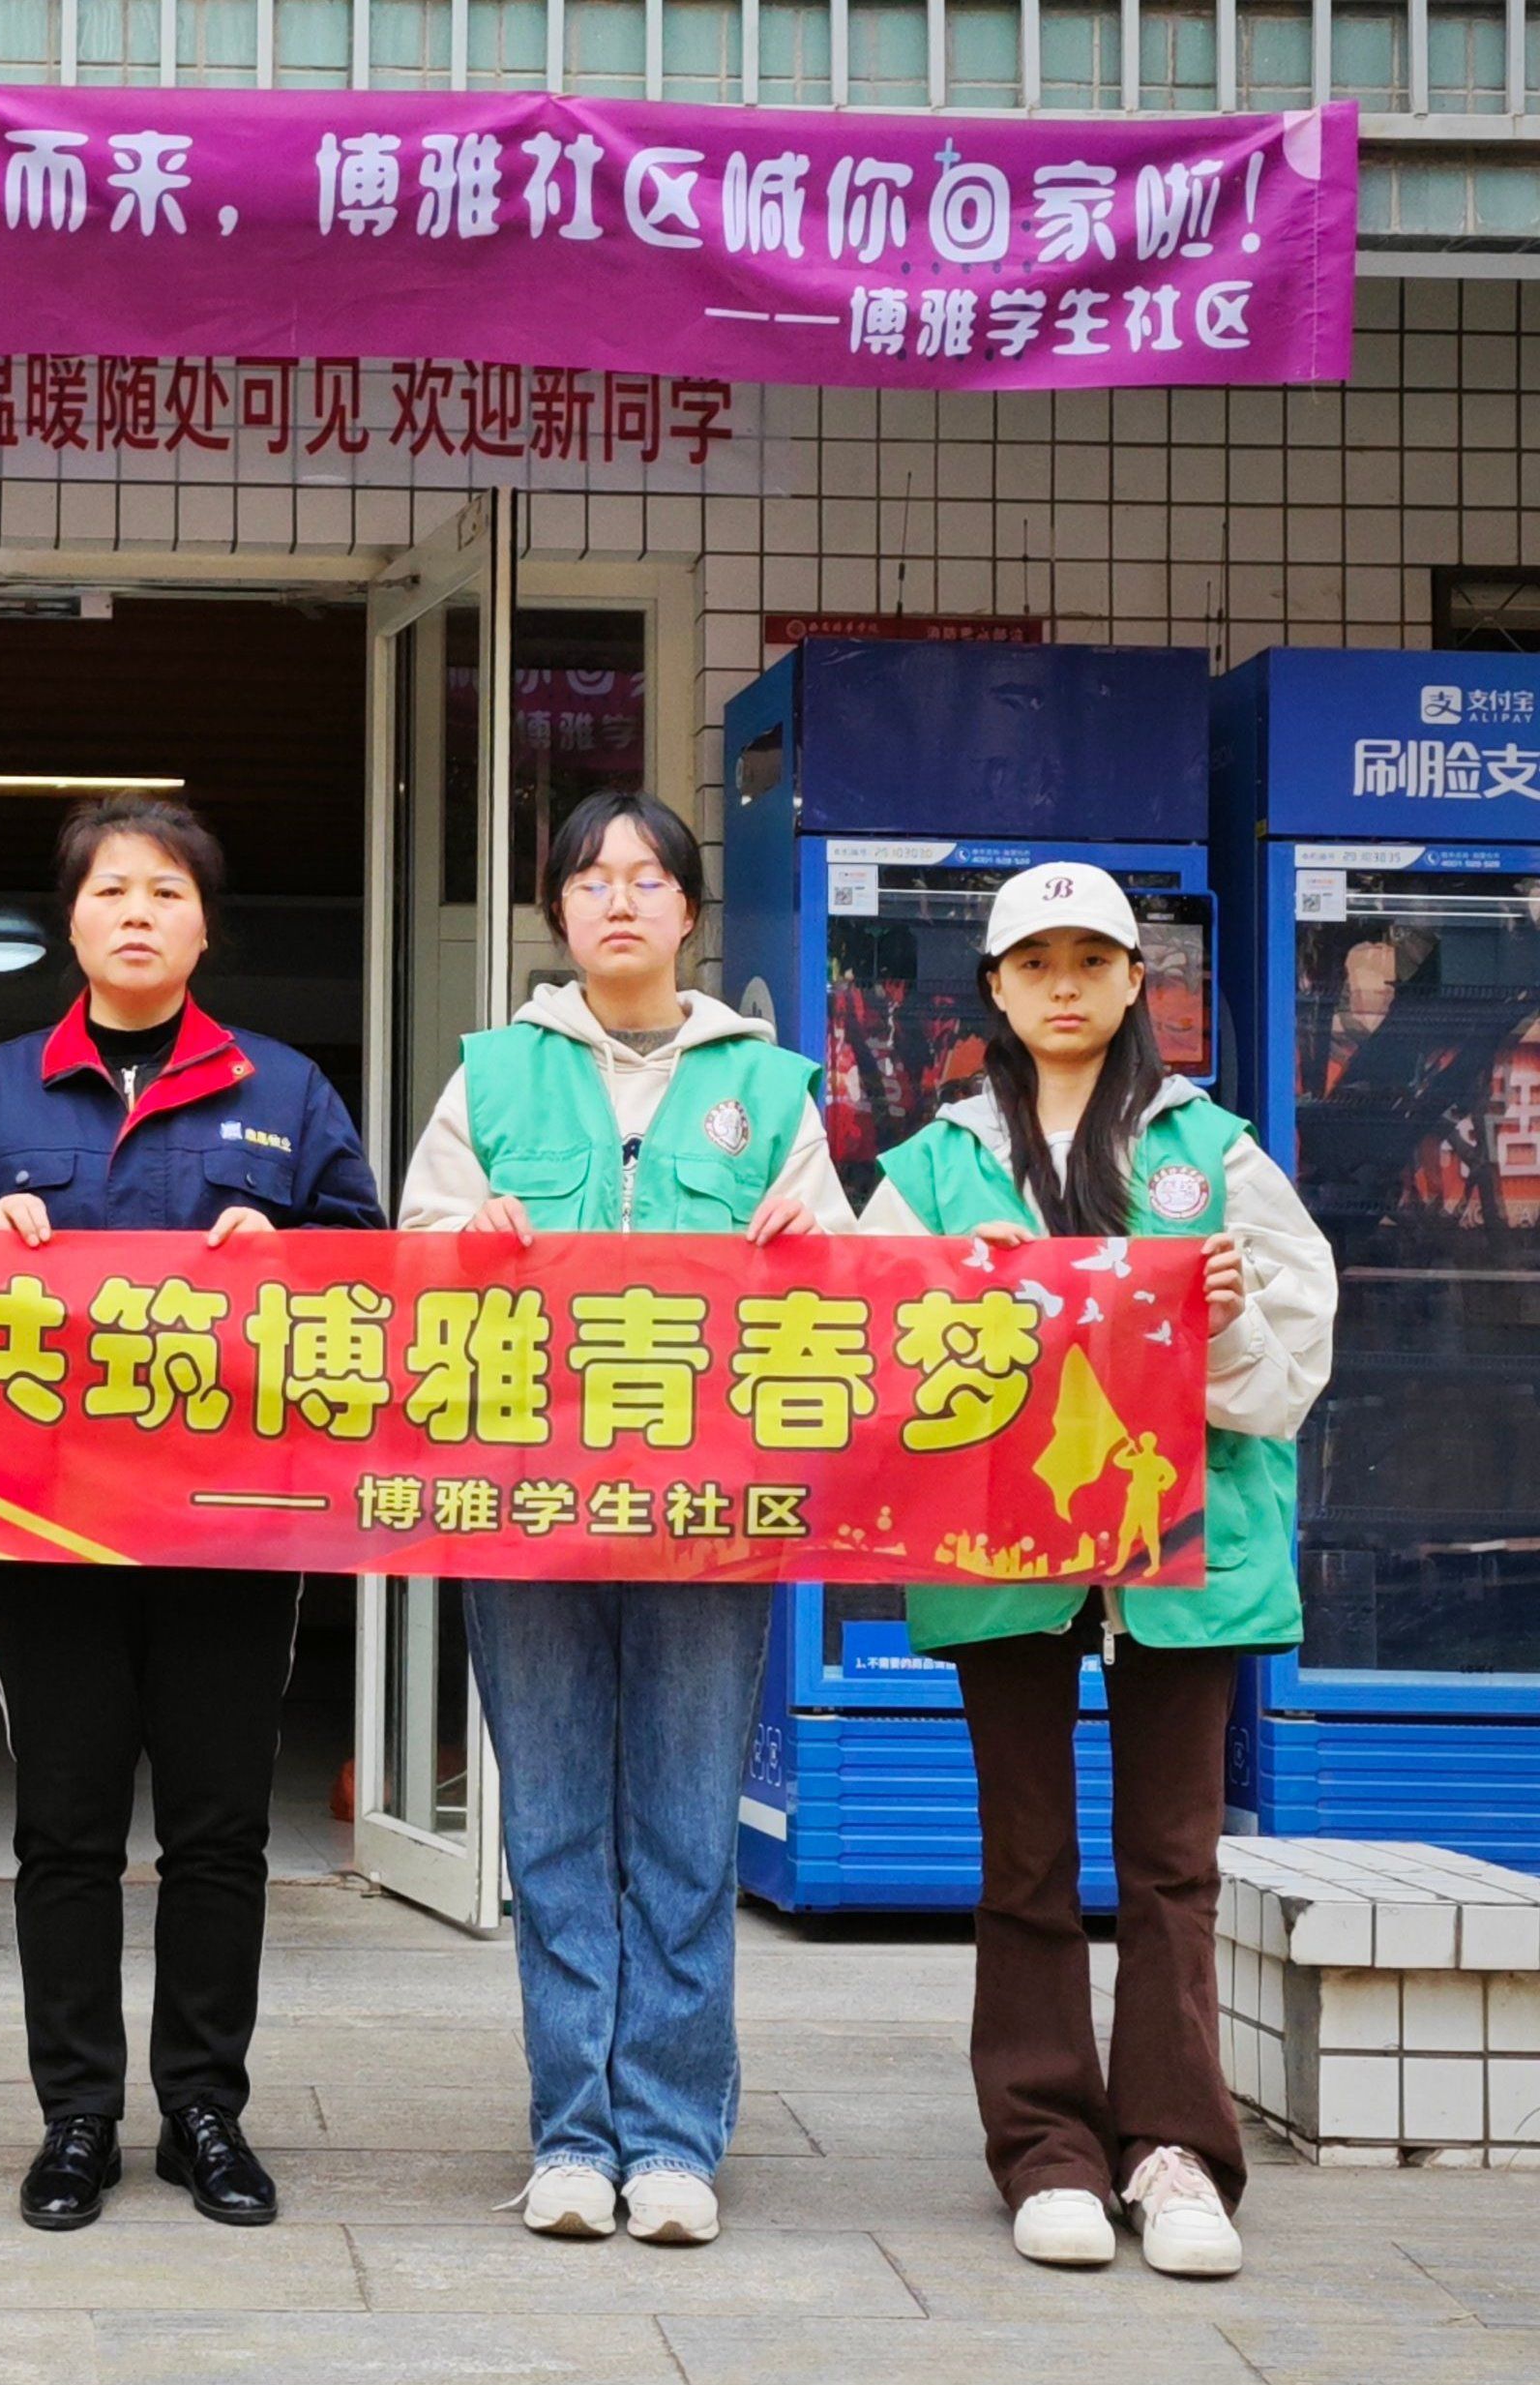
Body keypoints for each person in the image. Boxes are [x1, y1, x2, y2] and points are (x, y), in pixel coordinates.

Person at [0, 795, 382, 2232]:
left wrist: (291, 1248)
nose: (139, 912)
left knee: (222, 1829)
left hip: (233, 1522)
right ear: (74, 922)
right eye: (111, 890)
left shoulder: (288, 1091)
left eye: (167, 890)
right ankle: (79, 2117)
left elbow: (376, 1275)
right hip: (45, 1525)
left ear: (205, 926)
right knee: (66, 1827)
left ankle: (206, 2109)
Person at [859, 862, 1335, 2280]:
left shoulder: (1218, 1154)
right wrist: (949, 1291)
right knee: (1026, 1858)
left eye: (1091, 959)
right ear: (995, 990)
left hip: (1189, 1560)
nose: (1063, 985)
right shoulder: (930, 1169)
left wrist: (1222, 1323)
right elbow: (864, 1361)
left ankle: (1176, 2149)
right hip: (1004, 1552)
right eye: (1034, 962)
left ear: (1138, 980)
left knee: (1174, 1861)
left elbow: (1288, 1376)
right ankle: (1046, 2148)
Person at [397, 789, 852, 2248]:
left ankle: (671, 2137)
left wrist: (814, 1243)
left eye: (648, 877)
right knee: (550, 1831)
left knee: (683, 1830)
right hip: (527, 1509)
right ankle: (570, 2137)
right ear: (558, 910)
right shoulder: (492, 1075)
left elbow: (854, 1287)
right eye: (591, 877)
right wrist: (463, 1241)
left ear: (688, 912)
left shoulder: (769, 1087)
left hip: (714, 1514)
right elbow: (411, 1259)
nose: (618, 898)